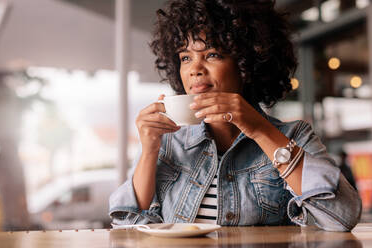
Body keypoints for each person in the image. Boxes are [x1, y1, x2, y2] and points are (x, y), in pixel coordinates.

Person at [109, 0, 361, 231]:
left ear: (245, 65)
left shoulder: (293, 136)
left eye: (212, 55)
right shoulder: (167, 141)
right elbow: (128, 227)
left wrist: (260, 130)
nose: (195, 69)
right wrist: (149, 150)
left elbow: (341, 217)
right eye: (186, 57)